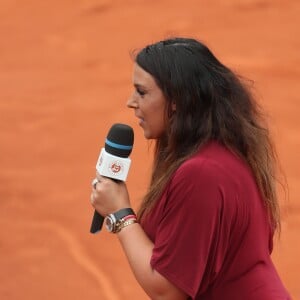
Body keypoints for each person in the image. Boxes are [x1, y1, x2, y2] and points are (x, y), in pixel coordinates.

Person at [90, 37, 290, 299]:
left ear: (176, 101)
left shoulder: (200, 173)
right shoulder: (226, 154)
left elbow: (167, 291)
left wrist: (120, 215)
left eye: (142, 92)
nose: (131, 102)